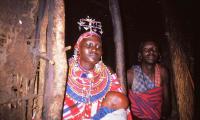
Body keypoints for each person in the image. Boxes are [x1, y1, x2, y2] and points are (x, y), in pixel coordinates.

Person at [62, 17, 131, 120]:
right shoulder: (64, 68)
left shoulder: (107, 72)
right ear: (77, 47)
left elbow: (121, 102)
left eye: (98, 47)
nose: (94, 49)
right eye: (89, 45)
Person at [127, 40, 170, 120]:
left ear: (159, 55)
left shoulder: (162, 72)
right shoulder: (130, 75)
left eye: (154, 49)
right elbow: (125, 106)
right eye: (146, 49)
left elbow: (166, 100)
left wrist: (163, 116)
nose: (151, 52)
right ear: (140, 55)